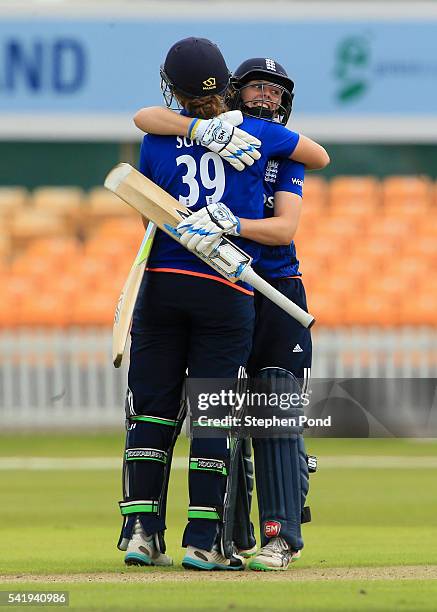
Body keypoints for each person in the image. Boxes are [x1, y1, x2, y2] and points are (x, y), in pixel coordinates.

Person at [120, 37, 328, 572]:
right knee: (219, 415)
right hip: (226, 289)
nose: (263, 97)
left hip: (245, 283)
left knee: (259, 409)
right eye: (253, 86)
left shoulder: (265, 146)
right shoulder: (253, 135)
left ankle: (269, 535)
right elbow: (152, 118)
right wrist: (200, 128)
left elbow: (284, 226)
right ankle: (217, 537)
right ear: (230, 89)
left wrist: (232, 222)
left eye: (272, 90)